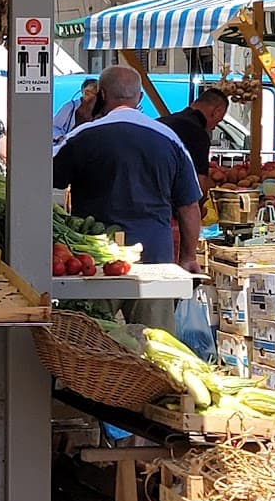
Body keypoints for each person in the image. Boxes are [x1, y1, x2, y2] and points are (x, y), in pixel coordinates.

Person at [54, 66, 202, 330]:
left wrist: (82, 120)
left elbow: (49, 183)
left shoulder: (82, 137)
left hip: (94, 263)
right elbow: (189, 206)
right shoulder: (170, 140)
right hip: (154, 258)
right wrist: (188, 257)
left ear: (101, 95)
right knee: (157, 349)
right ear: (140, 97)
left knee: (89, 345)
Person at [159, 88, 230, 183]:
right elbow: (199, 188)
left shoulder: (160, 122)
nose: (213, 128)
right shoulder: (198, 134)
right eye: (218, 121)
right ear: (216, 112)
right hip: (166, 195)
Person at [53, 79, 100, 147]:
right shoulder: (70, 107)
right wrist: (61, 138)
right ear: (86, 93)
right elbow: (53, 126)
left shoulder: (101, 111)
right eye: (97, 95)